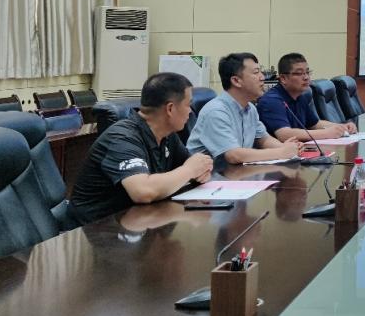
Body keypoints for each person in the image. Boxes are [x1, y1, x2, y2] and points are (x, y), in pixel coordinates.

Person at [68, 72, 214, 226]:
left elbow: (192, 168)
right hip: (94, 230)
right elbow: (143, 191)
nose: (190, 111)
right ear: (170, 109)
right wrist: (190, 170)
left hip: (135, 222)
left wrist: (200, 171)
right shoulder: (122, 137)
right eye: (188, 105)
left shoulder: (167, 135)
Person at [187, 53, 302, 164]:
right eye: (256, 72)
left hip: (234, 172)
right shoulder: (216, 111)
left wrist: (286, 148)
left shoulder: (250, 108)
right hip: (208, 174)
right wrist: (281, 152)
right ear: (236, 81)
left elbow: (263, 139)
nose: (262, 77)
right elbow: (234, 155)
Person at [257, 53, 356, 141]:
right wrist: (327, 133)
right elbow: (285, 134)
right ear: (283, 78)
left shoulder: (299, 96)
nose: (306, 77)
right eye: (299, 73)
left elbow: (315, 124)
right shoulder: (271, 100)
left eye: (307, 72)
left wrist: (341, 127)